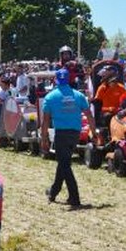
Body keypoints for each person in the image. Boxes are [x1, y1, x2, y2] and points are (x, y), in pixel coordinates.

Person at [41, 69, 95, 209]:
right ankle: (53, 192)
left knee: (64, 165)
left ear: (55, 80)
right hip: (75, 133)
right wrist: (94, 133)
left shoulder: (51, 97)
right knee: (63, 162)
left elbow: (45, 121)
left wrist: (44, 138)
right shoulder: (78, 95)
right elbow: (89, 115)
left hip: (61, 134)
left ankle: (74, 197)